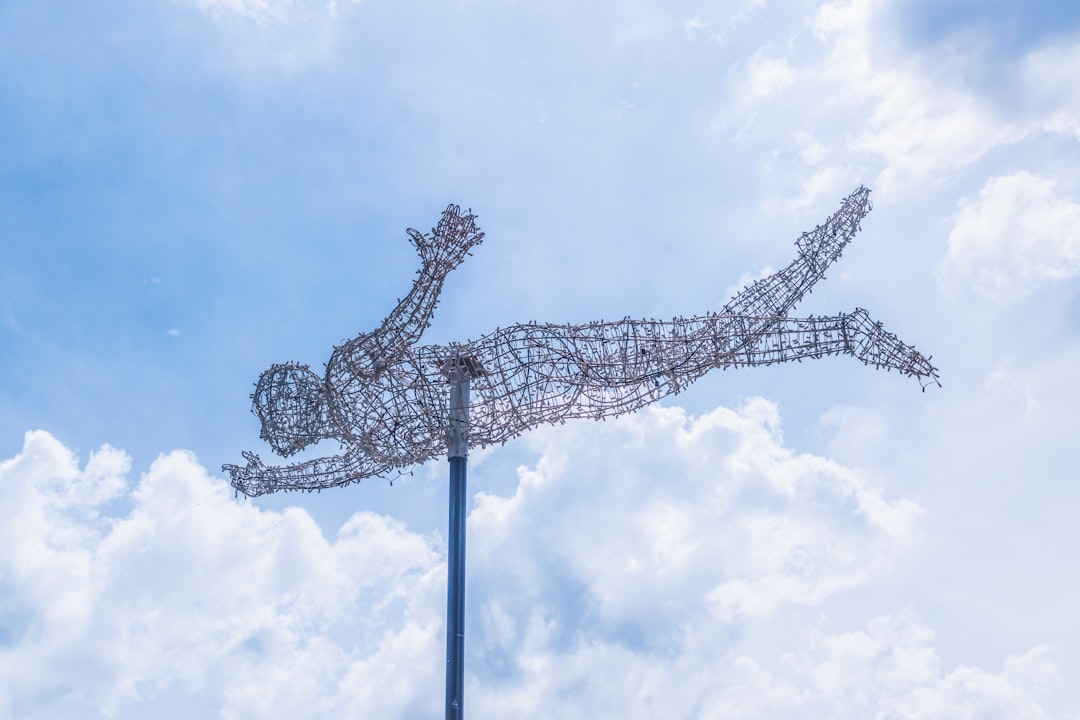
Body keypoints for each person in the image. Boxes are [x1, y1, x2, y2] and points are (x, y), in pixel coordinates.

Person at [225, 187, 938, 496]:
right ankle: (838, 327)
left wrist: (436, 268)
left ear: (296, 404)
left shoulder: (348, 376)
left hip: (524, 367)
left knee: (695, 346)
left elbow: (404, 328)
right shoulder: (363, 446)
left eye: (276, 421)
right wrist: (269, 481)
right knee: (694, 355)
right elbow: (327, 476)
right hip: (546, 399)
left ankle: (821, 270)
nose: (280, 431)